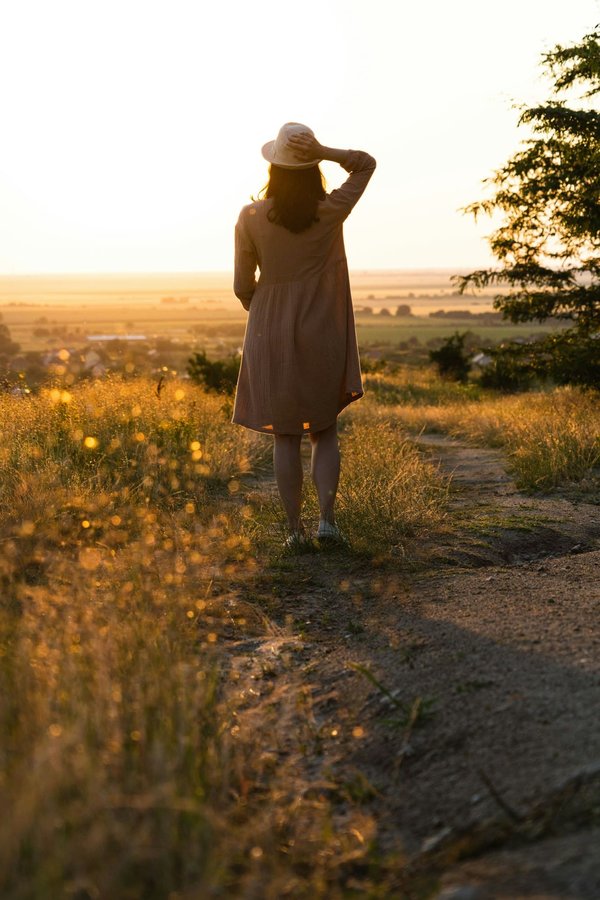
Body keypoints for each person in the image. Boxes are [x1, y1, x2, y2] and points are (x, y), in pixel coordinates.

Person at [232, 122, 376, 547]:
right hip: (323, 328)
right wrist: (326, 149)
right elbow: (366, 165)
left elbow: (243, 285)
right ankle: (327, 523)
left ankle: (294, 532)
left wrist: (263, 309)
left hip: (269, 327)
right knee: (324, 430)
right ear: (314, 167)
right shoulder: (330, 210)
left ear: (273, 167)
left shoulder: (251, 217)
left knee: (286, 435)